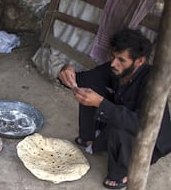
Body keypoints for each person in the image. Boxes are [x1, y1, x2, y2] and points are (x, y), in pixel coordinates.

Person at [58, 28, 171, 189]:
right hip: (123, 119)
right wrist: (67, 71)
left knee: (119, 125)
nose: (113, 63)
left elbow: (142, 125)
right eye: (113, 56)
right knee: (92, 89)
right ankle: (91, 138)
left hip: (150, 139)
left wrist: (101, 103)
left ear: (139, 61)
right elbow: (84, 79)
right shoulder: (116, 68)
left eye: (121, 60)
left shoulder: (152, 83)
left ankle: (120, 173)